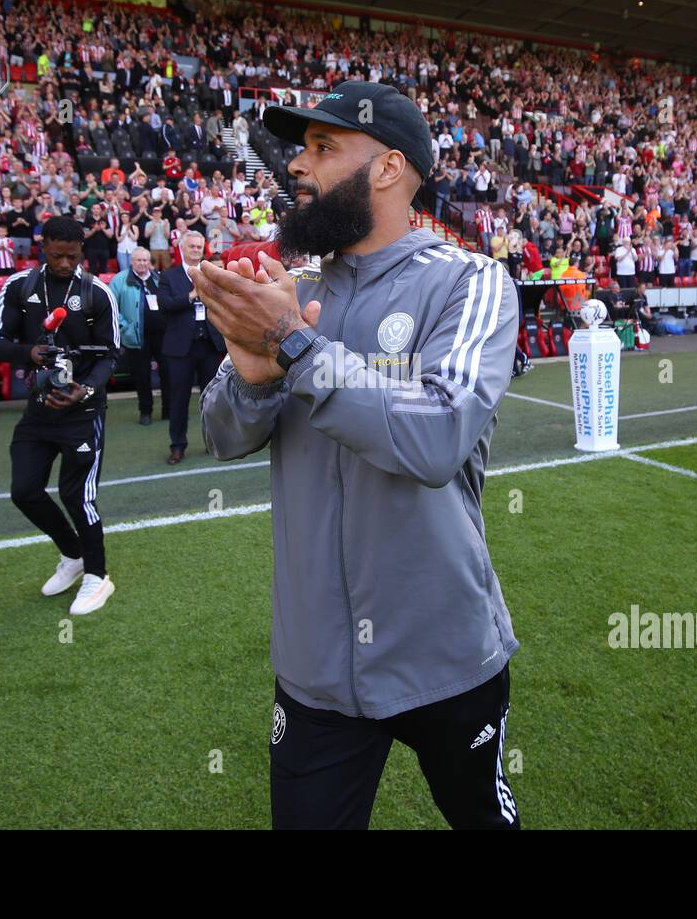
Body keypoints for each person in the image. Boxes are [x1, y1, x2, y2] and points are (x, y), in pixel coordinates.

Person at [196, 81, 521, 830]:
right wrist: (251, 376)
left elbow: (438, 436)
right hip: (314, 668)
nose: (296, 168)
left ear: (388, 168)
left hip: (445, 650)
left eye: (322, 147)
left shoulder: (470, 282)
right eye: (299, 149)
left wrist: (296, 347)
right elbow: (221, 436)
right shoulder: (293, 287)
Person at [0, 215, 121, 616]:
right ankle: (73, 554)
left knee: (76, 495)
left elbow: (112, 355)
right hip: (39, 409)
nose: (65, 264)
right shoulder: (19, 286)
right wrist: (27, 353)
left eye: (72, 255)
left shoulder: (97, 292)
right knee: (24, 491)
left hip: (83, 410)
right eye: (57, 255)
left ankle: (98, 576)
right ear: (42, 246)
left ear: (82, 249)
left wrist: (87, 388)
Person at [159, 230, 225, 464]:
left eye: (199, 247)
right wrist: (191, 295)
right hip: (180, 349)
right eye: (192, 247)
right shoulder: (169, 276)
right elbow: (164, 304)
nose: (196, 250)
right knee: (179, 400)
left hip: (209, 344)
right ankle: (178, 446)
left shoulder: (212, 272)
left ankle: (213, 441)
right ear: (182, 248)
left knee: (212, 398)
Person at [109, 247, 169, 425]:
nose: (143, 263)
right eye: (139, 260)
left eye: (145, 260)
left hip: (162, 336)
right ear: (131, 262)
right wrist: (124, 328)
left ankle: (168, 410)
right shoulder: (119, 280)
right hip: (136, 337)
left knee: (168, 374)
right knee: (142, 377)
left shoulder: (158, 278)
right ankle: (146, 411)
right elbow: (111, 308)